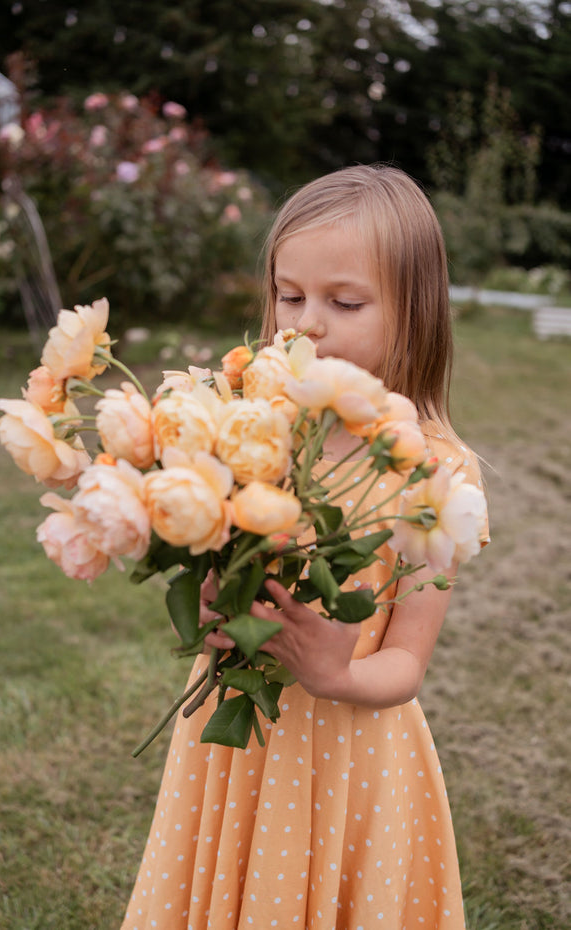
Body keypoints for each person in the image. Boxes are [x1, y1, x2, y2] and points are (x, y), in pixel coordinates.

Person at [120, 164, 489, 930]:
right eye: (290, 296)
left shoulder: (436, 473)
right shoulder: (253, 428)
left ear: (414, 313)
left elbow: (407, 666)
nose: (306, 323)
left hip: (345, 754)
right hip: (230, 744)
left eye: (344, 302)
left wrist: (333, 672)